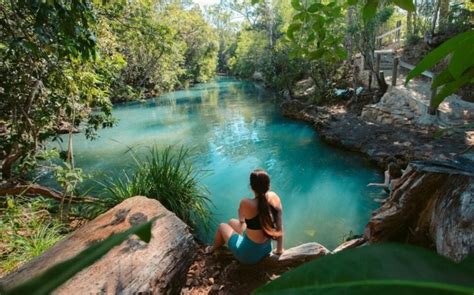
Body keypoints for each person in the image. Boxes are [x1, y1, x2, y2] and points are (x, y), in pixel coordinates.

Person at [207, 169, 284, 264]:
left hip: (247, 256)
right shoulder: (274, 197)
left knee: (222, 226)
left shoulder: (246, 203)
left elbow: (241, 219)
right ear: (268, 185)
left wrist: (245, 223)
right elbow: (280, 227)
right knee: (231, 222)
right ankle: (241, 240)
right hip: (267, 249)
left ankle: (213, 248)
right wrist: (279, 250)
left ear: (251, 187)